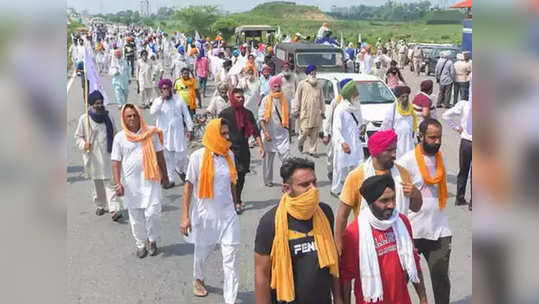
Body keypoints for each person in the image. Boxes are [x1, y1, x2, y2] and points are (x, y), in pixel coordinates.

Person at [254, 158, 341, 304]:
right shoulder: (270, 222)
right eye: (305, 185)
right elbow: (261, 274)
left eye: (314, 182)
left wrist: (338, 298)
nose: (313, 189)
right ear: (287, 188)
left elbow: (333, 261)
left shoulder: (325, 213)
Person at [340, 174, 428, 304]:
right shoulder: (354, 232)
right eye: (384, 200)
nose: (391, 205)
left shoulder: (402, 222)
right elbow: (346, 277)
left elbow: (414, 262)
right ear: (371, 202)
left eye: (393, 199)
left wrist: (423, 298)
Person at [180, 118, 240, 304]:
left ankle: (230, 299)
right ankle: (198, 277)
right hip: (205, 215)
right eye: (222, 133)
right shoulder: (197, 157)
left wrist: (237, 202)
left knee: (231, 259)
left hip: (228, 215)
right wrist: (184, 217)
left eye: (227, 133)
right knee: (202, 251)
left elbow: (232, 182)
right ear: (213, 133)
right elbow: (188, 187)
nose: (226, 137)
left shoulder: (229, 154)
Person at [335, 130, 422, 255]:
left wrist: (416, 194)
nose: (394, 155)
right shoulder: (356, 176)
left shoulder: (402, 173)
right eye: (389, 150)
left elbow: (416, 207)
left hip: (398, 243)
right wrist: (339, 246)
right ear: (376, 152)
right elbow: (342, 216)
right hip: (366, 244)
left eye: (395, 150)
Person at [397, 118, 452, 304]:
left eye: (439, 137)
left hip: (439, 229)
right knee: (401, 279)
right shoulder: (406, 162)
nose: (437, 141)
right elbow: (398, 199)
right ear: (420, 136)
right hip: (411, 230)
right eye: (432, 137)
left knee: (441, 281)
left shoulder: (440, 158)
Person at [111, 104, 169, 258]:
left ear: (139, 116)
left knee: (153, 213)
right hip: (131, 184)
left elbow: (159, 155)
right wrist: (118, 183)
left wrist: (166, 175)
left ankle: (152, 239)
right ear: (124, 118)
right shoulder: (119, 137)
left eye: (134, 115)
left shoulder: (150, 133)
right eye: (128, 116)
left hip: (152, 179)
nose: (132, 118)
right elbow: (116, 162)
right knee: (136, 217)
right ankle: (140, 243)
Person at [74, 90, 122, 221]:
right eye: (96, 103)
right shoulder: (84, 119)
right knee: (97, 183)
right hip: (93, 156)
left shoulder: (109, 116)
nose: (100, 105)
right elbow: (78, 137)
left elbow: (116, 133)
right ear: (91, 105)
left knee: (110, 182)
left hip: (108, 155)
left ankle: (114, 209)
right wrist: (84, 144)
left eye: (101, 103)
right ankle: (100, 205)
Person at [219, 88, 265, 212]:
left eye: (242, 97)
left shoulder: (248, 113)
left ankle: (237, 199)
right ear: (232, 98)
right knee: (230, 177)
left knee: (242, 175)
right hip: (229, 150)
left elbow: (255, 131)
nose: (241, 99)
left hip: (244, 149)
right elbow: (218, 132)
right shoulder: (225, 114)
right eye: (238, 97)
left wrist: (261, 146)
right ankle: (232, 201)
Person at [150, 78, 193, 188]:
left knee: (181, 154)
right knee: (168, 157)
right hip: (164, 134)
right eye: (164, 89)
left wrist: (189, 128)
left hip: (178, 132)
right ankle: (170, 178)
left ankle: (179, 169)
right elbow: (152, 112)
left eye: (168, 88)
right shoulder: (158, 101)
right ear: (161, 90)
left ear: (171, 88)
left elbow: (186, 114)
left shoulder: (179, 99)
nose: (166, 91)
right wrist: (162, 100)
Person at [331, 80, 365, 196]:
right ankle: (335, 189)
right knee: (340, 168)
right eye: (355, 91)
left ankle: (355, 189)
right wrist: (342, 142)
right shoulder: (340, 110)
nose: (358, 93)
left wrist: (362, 126)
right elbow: (336, 129)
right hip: (344, 143)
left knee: (358, 166)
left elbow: (360, 120)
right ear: (351, 94)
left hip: (355, 141)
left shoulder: (356, 105)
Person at [442, 86, 472, 207]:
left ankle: (459, 198)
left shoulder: (464, 105)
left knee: (463, 171)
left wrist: (457, 128)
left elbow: (445, 115)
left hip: (465, 142)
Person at [259, 75, 290, 187]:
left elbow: (288, 115)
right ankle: (268, 180)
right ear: (271, 87)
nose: (277, 88)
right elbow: (261, 118)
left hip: (282, 134)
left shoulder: (286, 99)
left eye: (278, 86)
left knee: (286, 160)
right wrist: (265, 133)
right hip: (269, 134)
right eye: (274, 86)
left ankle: (286, 181)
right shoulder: (265, 100)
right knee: (268, 160)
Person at [323, 78, 352, 182]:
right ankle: (331, 171)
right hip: (335, 133)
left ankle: (345, 177)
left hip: (348, 134)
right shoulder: (336, 102)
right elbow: (329, 118)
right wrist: (326, 134)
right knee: (332, 155)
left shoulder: (354, 102)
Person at [293, 64, 325, 157]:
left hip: (316, 113)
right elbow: (297, 98)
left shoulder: (319, 85)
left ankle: (313, 151)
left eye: (315, 72)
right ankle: (300, 143)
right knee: (305, 132)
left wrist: (323, 111)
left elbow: (322, 99)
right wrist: (296, 109)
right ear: (308, 74)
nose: (313, 74)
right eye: (311, 73)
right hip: (305, 113)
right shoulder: (302, 84)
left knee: (315, 133)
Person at [381, 85, 417, 159]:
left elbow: (413, 125)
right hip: (397, 144)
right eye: (403, 97)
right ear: (398, 98)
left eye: (407, 96)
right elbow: (386, 128)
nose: (405, 99)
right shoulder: (392, 109)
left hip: (409, 142)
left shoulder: (411, 109)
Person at [278, 62, 298, 136]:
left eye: (287, 67)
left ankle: (291, 130)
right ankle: (284, 129)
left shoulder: (294, 76)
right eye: (284, 67)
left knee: (292, 114)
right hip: (282, 98)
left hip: (293, 98)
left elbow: (297, 87)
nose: (286, 68)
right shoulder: (279, 77)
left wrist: (297, 98)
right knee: (283, 113)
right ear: (282, 68)